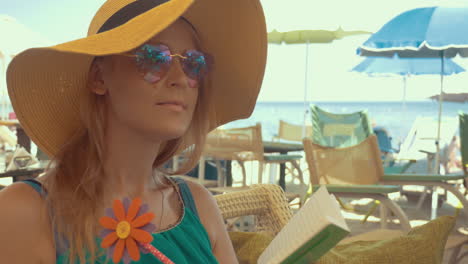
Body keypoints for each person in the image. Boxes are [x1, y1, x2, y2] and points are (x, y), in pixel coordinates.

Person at [0, 0, 267, 263]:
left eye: (193, 63)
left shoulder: (198, 205)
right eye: (154, 58)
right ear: (99, 78)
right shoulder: (26, 212)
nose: (181, 77)